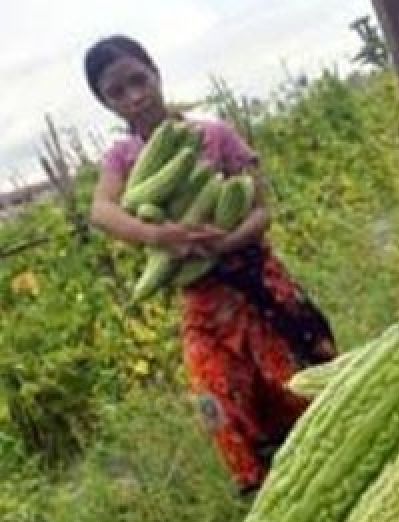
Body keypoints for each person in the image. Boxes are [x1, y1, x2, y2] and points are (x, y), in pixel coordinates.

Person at [85, 35, 337, 495]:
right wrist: (159, 236)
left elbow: (261, 208)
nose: (134, 97)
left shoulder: (213, 136)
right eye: (116, 92)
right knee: (213, 395)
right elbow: (102, 211)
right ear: (106, 103)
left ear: (155, 72)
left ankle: (329, 465)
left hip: (254, 282)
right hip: (201, 298)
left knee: (295, 385)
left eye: (138, 80)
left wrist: (227, 240)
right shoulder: (124, 159)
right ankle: (262, 490)